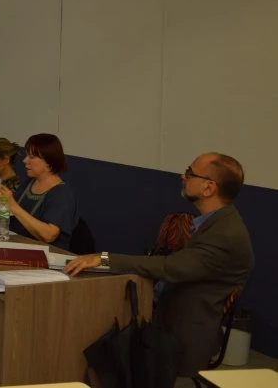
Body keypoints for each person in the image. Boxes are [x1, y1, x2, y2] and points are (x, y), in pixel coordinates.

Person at [65, 153, 254, 381]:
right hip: (167, 317)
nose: (183, 176)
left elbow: (172, 267)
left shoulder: (225, 234)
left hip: (180, 335)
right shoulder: (217, 222)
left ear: (208, 188)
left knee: (101, 350)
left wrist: (104, 259)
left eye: (190, 172)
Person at [0, 133, 78, 250]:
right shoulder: (29, 183)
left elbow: (48, 236)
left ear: (49, 163)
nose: (25, 160)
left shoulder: (62, 194)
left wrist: (12, 205)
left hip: (46, 255)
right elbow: (11, 216)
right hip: (16, 246)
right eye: (26, 155)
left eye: (32, 157)